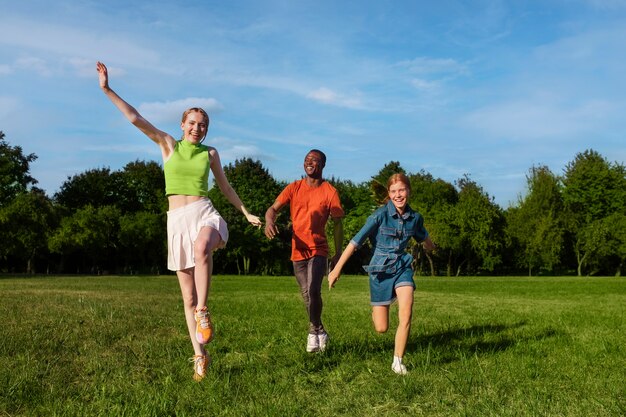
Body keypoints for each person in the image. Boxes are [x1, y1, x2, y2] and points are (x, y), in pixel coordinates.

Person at [96, 61, 262, 381]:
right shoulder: (167, 144)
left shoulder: (210, 154)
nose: (198, 128)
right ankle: (200, 356)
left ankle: (204, 310)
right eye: (193, 123)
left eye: (203, 125)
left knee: (203, 248)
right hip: (176, 221)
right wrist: (106, 88)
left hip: (204, 212)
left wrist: (243, 211)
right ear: (183, 124)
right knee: (185, 296)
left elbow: (224, 187)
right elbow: (135, 118)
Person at [328, 173, 435, 375]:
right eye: (394, 191)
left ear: (409, 191)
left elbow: (424, 238)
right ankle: (381, 306)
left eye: (402, 190)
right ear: (389, 194)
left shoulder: (415, 218)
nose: (398, 195)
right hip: (380, 271)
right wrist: (336, 269)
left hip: (402, 267)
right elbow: (355, 242)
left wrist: (432, 247)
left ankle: (398, 361)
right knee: (381, 328)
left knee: (407, 311)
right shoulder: (379, 216)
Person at [264, 149, 344, 353]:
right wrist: (269, 221)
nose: (309, 163)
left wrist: (338, 254)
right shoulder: (294, 188)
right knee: (306, 294)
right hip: (297, 249)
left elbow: (337, 224)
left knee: (313, 289)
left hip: (319, 248)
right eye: (307, 160)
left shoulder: (330, 192)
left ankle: (312, 331)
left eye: (315, 160)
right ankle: (320, 330)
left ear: (323, 165)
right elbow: (272, 209)